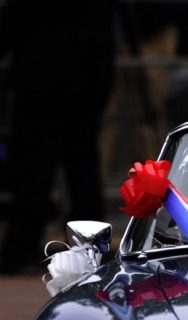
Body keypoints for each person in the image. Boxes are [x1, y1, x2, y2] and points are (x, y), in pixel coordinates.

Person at [0, 0, 116, 274]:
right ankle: (90, 248)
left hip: (43, 76)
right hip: (85, 74)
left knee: (34, 168)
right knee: (82, 165)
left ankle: (22, 247)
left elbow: (18, 16)